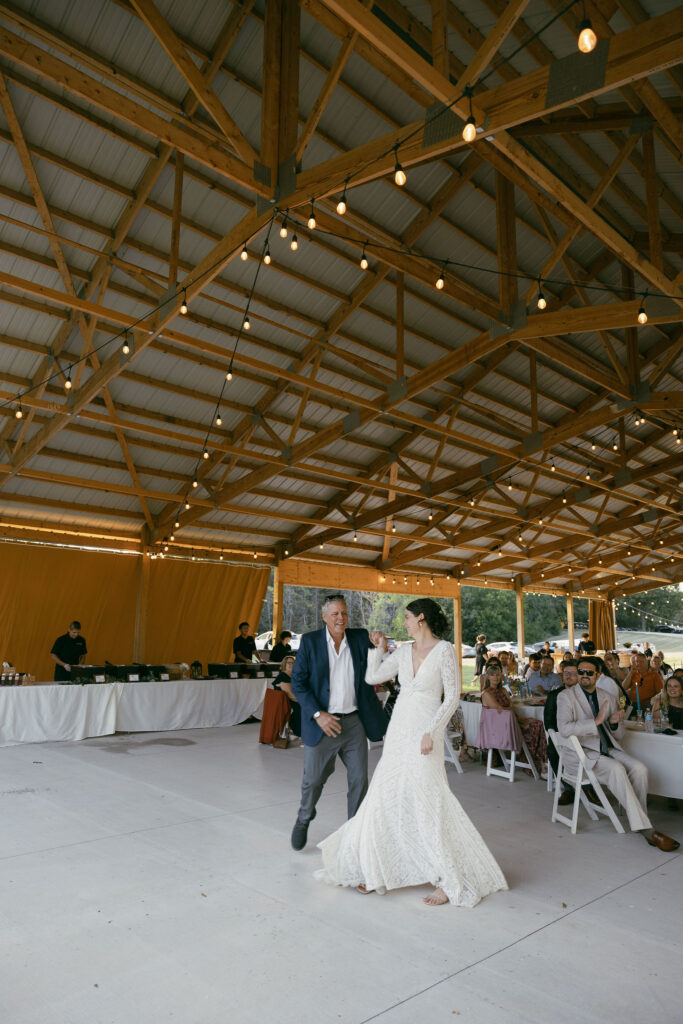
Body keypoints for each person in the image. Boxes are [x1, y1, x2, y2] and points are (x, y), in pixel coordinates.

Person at [315, 598, 507, 906]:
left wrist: (432, 731)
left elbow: (452, 697)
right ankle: (373, 868)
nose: (403, 622)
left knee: (429, 798)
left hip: (426, 728)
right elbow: (371, 678)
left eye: (407, 617)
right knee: (385, 794)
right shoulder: (403, 652)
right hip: (400, 728)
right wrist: (377, 650)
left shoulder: (444, 650)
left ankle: (446, 878)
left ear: (421, 618)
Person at [289, 595, 387, 852]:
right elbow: (298, 684)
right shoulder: (310, 642)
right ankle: (303, 818)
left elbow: (377, 660)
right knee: (313, 780)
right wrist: (318, 715)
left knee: (359, 780)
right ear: (324, 616)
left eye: (343, 613)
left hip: (353, 722)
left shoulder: (358, 637)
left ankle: (354, 832)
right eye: (334, 614)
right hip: (323, 723)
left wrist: (378, 643)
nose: (340, 618)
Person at [557, 657, 679, 852]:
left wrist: (613, 723)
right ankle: (647, 829)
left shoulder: (607, 696)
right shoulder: (565, 696)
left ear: (598, 675)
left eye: (590, 672)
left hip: (608, 748)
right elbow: (564, 729)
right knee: (617, 769)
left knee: (640, 769)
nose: (584, 676)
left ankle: (640, 818)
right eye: (581, 672)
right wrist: (595, 721)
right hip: (584, 754)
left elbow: (619, 735)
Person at [480, 662, 547, 776]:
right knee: (534, 727)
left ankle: (540, 762)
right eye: (493, 675)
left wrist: (521, 719)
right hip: (499, 728)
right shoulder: (486, 693)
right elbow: (500, 710)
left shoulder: (503, 690)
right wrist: (522, 721)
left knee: (538, 723)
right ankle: (531, 763)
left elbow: (511, 708)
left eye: (498, 674)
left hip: (511, 722)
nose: (496, 677)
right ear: (488, 677)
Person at [544, 661, 580, 806]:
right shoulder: (554, 695)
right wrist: (562, 737)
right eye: (566, 673)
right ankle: (569, 788)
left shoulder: (584, 693)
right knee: (552, 750)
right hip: (562, 736)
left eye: (573, 673)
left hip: (583, 735)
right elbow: (548, 721)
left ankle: (589, 786)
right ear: (562, 675)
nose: (569, 676)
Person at [272, 654, 301, 738]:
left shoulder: (294, 675)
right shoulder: (282, 676)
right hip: (285, 701)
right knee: (301, 708)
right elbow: (288, 693)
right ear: (284, 664)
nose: (292, 665)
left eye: (293, 663)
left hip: (294, 698)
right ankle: (298, 731)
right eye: (289, 663)